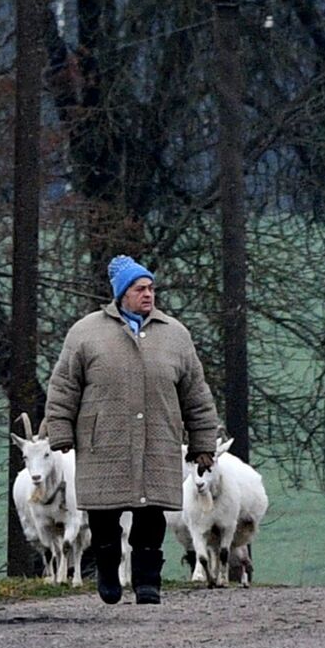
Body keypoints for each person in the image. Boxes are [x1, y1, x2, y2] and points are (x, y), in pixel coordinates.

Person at [43, 254, 219, 604]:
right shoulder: (86, 333)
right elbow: (63, 386)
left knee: (151, 515)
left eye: (152, 288)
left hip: (158, 439)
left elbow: (196, 393)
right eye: (140, 289)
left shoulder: (175, 335)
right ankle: (108, 570)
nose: (148, 295)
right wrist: (60, 431)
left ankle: (147, 581)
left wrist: (203, 443)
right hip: (103, 441)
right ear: (122, 293)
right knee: (104, 516)